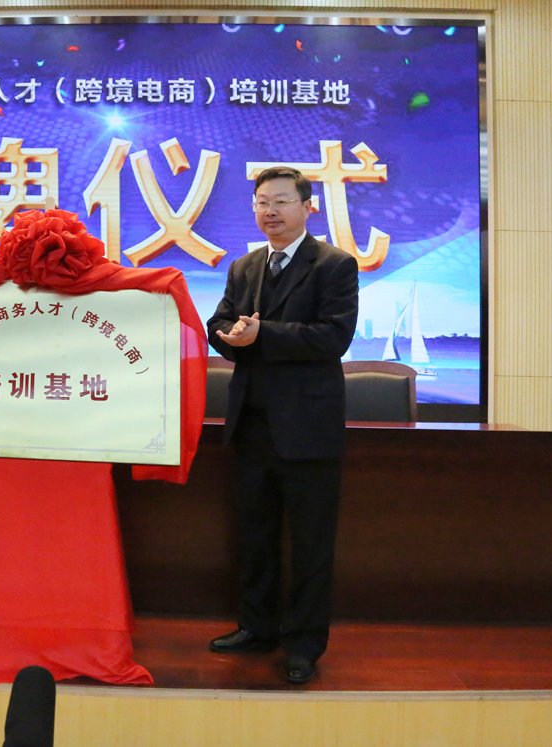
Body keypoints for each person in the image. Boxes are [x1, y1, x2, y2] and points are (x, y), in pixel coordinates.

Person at [206, 166, 359, 684]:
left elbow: (332, 337)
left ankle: (303, 646)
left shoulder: (334, 264)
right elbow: (218, 322)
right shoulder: (245, 266)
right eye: (261, 203)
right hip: (251, 424)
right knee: (255, 537)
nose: (269, 211)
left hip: (308, 428)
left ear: (307, 207)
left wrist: (262, 335)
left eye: (280, 202)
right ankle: (257, 628)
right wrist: (230, 335)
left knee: (311, 545)